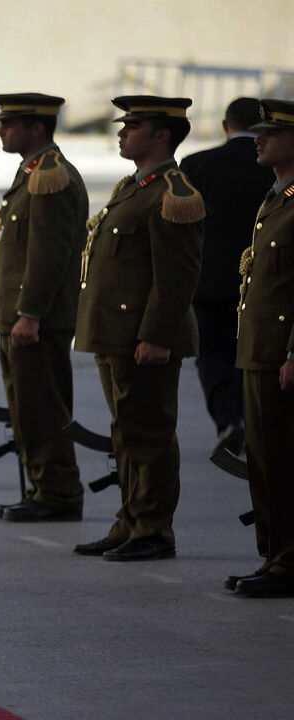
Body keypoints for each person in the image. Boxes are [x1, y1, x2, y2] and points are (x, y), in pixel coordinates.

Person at [73, 96, 204, 562]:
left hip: (141, 336)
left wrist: (156, 336)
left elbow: (177, 277)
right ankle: (129, 521)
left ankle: (153, 529)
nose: (122, 132)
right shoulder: (135, 187)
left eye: (134, 126)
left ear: (162, 135)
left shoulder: (173, 192)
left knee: (148, 434)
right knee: (126, 432)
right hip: (116, 332)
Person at [0, 93, 89, 522]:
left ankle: (59, 493)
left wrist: (30, 313)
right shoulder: (33, 172)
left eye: (9, 123)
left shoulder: (51, 175)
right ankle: (43, 488)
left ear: (37, 128)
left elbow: (49, 255)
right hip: (22, 315)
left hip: (36, 317)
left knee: (42, 407)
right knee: (26, 407)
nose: (0, 130)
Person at [179, 97, 271, 456]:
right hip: (264, 282)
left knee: (213, 355)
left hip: (211, 280)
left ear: (225, 125)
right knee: (254, 357)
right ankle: (256, 422)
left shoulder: (198, 164)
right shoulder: (275, 165)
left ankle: (229, 419)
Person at [229, 98, 294, 597]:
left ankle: (287, 562)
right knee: (263, 456)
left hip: (281, 352)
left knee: (282, 458)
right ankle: (273, 556)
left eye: (270, 132)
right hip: (259, 347)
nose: (259, 138)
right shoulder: (276, 196)